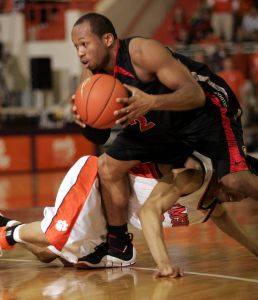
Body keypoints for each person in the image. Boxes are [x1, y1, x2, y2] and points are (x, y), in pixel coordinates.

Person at [70, 12, 258, 269]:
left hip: (204, 113)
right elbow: (99, 135)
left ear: (107, 39)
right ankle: (119, 246)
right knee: (107, 167)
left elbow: (194, 94)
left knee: (235, 181)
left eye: (84, 43)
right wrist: (85, 120)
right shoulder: (90, 76)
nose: (80, 52)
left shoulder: (142, 52)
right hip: (159, 122)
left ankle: (244, 168)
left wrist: (152, 101)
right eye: (76, 47)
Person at [1, 154, 258, 278]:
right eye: (242, 189)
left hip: (110, 216)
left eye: (247, 195)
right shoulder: (196, 175)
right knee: (56, 233)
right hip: (96, 179)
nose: (240, 197)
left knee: (47, 254)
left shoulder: (213, 204)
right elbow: (148, 213)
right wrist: (163, 262)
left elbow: (223, 217)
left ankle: (7, 225)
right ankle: (6, 235)